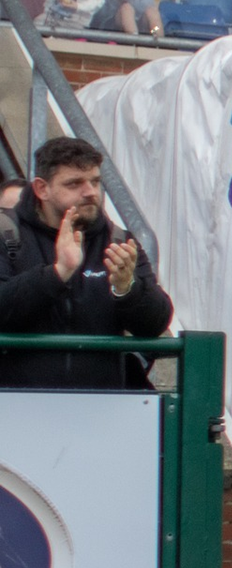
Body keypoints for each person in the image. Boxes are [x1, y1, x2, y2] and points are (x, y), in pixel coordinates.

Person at [0, 136, 172, 389]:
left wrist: (127, 289)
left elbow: (155, 324)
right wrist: (58, 273)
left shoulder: (119, 240)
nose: (90, 192)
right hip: (17, 410)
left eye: (95, 181)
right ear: (41, 189)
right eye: (74, 184)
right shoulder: (6, 234)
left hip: (100, 411)